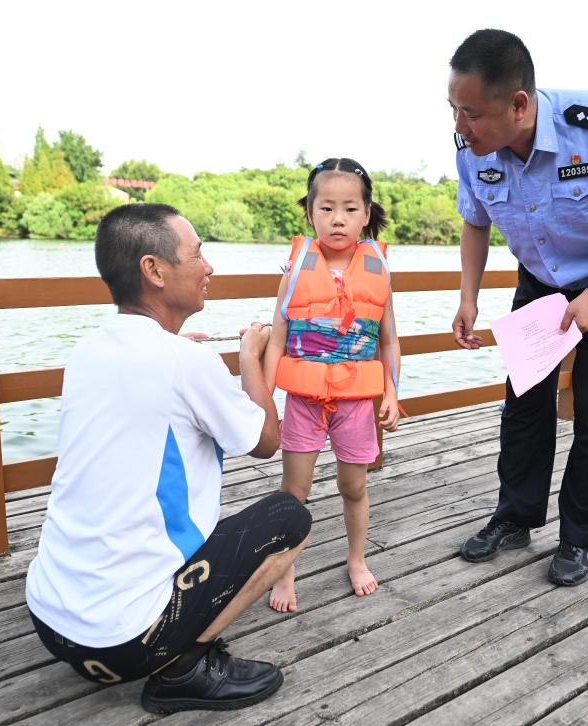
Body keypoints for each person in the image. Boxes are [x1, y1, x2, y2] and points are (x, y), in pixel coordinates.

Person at [24, 203, 312, 716]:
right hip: (123, 644)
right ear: (154, 271)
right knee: (290, 517)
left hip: (51, 624)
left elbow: (152, 391)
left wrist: (182, 353)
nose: (208, 267)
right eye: (197, 254)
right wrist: (249, 357)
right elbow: (268, 439)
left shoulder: (89, 350)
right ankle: (182, 671)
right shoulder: (185, 362)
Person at [447, 30, 588, 585]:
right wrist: (468, 297)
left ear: (518, 104)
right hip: (541, 279)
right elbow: (476, 221)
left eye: (470, 113)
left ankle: (579, 537)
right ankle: (516, 515)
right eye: (453, 109)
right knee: (523, 401)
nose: (459, 126)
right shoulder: (471, 146)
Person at [262, 158, 402, 612]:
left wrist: (392, 392)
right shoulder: (296, 267)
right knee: (294, 491)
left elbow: (388, 339)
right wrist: (265, 397)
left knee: (354, 486)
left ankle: (356, 559)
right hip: (303, 399)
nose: (337, 218)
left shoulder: (377, 266)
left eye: (348, 208)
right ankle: (285, 571)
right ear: (310, 213)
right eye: (326, 208)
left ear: (365, 213)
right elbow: (278, 334)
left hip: (357, 402)